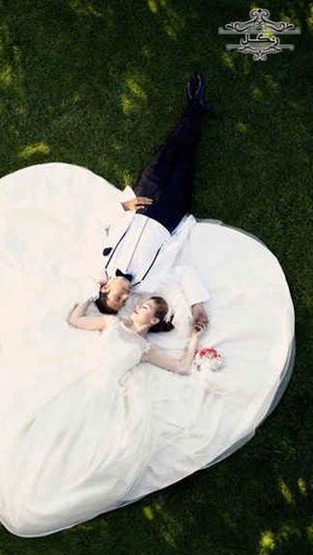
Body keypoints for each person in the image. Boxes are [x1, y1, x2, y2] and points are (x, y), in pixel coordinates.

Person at [90, 72, 212, 329]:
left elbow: (97, 224)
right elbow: (180, 272)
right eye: (123, 303)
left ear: (105, 288)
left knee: (169, 152)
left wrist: (125, 207)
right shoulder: (148, 283)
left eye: (117, 298)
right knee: (186, 161)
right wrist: (197, 304)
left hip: (141, 203)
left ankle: (196, 105)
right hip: (168, 215)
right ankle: (198, 109)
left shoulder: (101, 263)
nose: (125, 298)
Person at [68, 294, 206, 375]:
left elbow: (182, 367)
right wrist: (91, 295)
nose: (137, 307)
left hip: (106, 386)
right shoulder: (113, 322)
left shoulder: (146, 348)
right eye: (139, 305)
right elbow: (75, 320)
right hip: (82, 371)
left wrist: (194, 338)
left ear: (154, 320)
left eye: (144, 307)